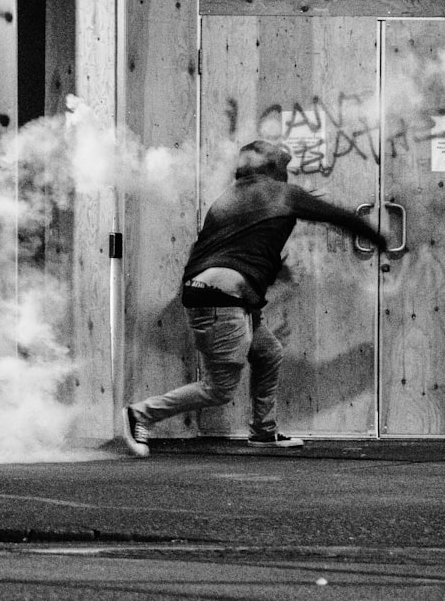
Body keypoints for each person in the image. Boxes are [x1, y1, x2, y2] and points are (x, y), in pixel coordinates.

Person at [122, 139, 389, 457]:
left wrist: (273, 270)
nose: (287, 174)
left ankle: (263, 431)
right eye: (284, 167)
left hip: (225, 296)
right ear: (275, 170)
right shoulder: (281, 193)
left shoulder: (228, 199)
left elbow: (234, 249)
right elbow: (339, 217)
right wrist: (379, 239)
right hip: (220, 298)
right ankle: (140, 414)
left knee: (267, 352)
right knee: (218, 388)